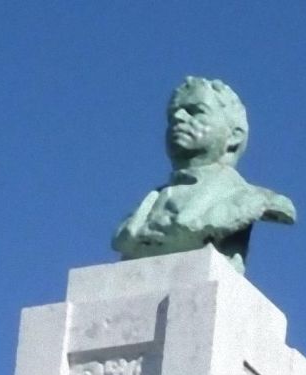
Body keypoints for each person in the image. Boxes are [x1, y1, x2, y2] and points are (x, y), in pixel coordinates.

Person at [112, 77, 295, 271]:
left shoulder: (251, 199)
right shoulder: (149, 203)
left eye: (195, 111)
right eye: (172, 115)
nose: (179, 118)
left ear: (235, 135)